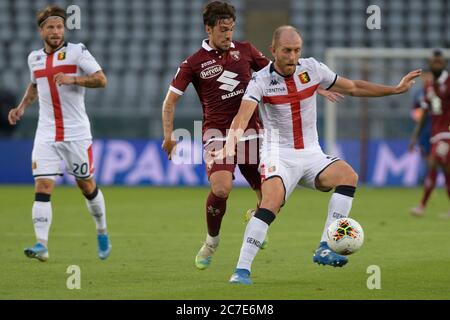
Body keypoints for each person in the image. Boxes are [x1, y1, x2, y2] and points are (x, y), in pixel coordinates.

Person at [212, 25, 421, 284]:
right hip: (279, 155)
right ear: (273, 51)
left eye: (297, 50)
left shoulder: (312, 69)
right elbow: (242, 116)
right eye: (287, 50)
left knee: (348, 176)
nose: (292, 56)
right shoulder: (261, 80)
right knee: (271, 203)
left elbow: (354, 87)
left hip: (312, 155)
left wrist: (395, 89)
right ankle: (241, 270)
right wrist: (231, 142)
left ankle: (324, 245)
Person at [161, 2, 341, 270]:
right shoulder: (193, 63)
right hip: (218, 135)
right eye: (222, 30)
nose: (228, 35)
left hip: (254, 133)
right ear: (208, 29)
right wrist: (168, 136)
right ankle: (212, 241)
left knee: (274, 201)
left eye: (231, 29)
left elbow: (280, 73)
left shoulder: (245, 51)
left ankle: (255, 218)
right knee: (221, 188)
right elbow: (169, 102)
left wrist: (315, 85)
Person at [8, 5, 111, 261]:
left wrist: (74, 79)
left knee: (86, 185)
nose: (56, 31)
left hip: (76, 133)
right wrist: (20, 108)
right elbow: (34, 85)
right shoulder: (34, 58)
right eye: (51, 27)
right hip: (46, 133)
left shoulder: (77, 52)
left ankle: (102, 230)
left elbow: (101, 79)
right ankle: (41, 244)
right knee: (43, 185)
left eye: (59, 27)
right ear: (41, 30)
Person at [410, 49, 450, 218]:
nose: (436, 64)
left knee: (433, 163)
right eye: (434, 62)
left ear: (445, 64)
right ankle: (422, 206)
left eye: (439, 62)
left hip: (447, 134)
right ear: (429, 64)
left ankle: (421, 206)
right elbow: (424, 113)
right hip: (435, 133)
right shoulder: (429, 87)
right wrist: (414, 137)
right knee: (445, 170)